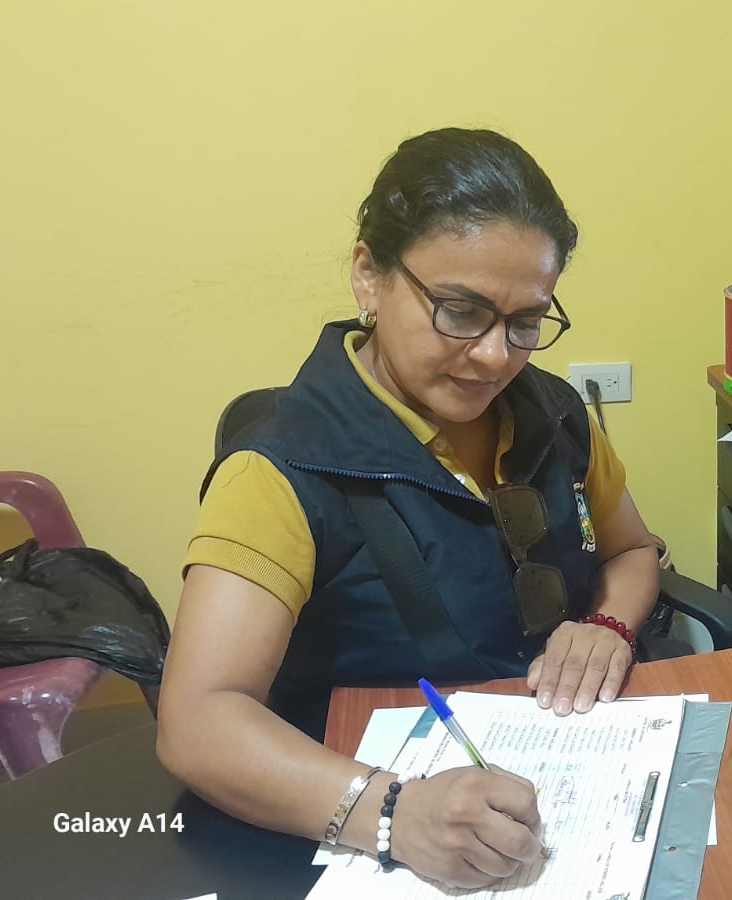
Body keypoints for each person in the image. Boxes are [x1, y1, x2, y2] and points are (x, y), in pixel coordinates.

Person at [156, 127, 661, 888]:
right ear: (370, 276)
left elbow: (631, 550)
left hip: (575, 767)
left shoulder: (554, 412)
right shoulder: (280, 466)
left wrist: (609, 624)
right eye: (460, 311)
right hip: (380, 808)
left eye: (526, 322)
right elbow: (197, 720)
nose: (495, 356)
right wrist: (394, 812)